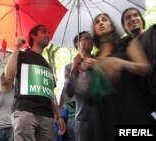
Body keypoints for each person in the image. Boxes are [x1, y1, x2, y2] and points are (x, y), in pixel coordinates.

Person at [84, 13, 153, 141]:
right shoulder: (93, 59)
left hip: (130, 111)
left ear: (112, 25)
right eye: (97, 22)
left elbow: (146, 68)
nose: (101, 23)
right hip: (104, 118)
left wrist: (122, 63)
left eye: (105, 20)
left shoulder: (126, 43)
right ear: (94, 30)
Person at [5, 24, 66, 141]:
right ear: (33, 35)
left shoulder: (48, 65)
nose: (48, 35)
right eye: (44, 31)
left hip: (47, 116)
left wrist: (59, 116)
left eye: (48, 33)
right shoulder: (21, 55)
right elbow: (8, 76)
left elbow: (50, 93)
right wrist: (17, 47)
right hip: (25, 111)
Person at [63, 31, 103, 141]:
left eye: (90, 38)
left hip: (102, 116)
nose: (90, 39)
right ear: (77, 44)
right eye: (85, 38)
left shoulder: (99, 59)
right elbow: (68, 92)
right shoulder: (69, 67)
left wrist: (96, 66)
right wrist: (74, 69)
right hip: (82, 118)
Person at [121, 7, 156, 119]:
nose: (133, 19)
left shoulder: (153, 32)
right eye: (128, 18)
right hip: (146, 108)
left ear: (141, 20)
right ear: (124, 26)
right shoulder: (125, 48)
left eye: (136, 15)